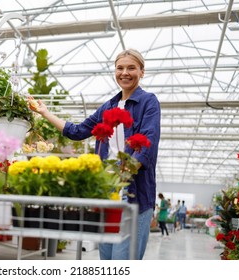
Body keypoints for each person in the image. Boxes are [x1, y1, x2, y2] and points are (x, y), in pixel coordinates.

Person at [28, 48, 161, 260]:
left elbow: (147, 146)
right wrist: (45, 112)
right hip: (106, 193)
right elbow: (77, 131)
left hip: (133, 193)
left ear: (142, 72)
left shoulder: (148, 102)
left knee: (123, 260)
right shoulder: (108, 107)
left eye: (131, 68)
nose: (124, 73)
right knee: (106, 258)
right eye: (120, 68)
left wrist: (121, 174)